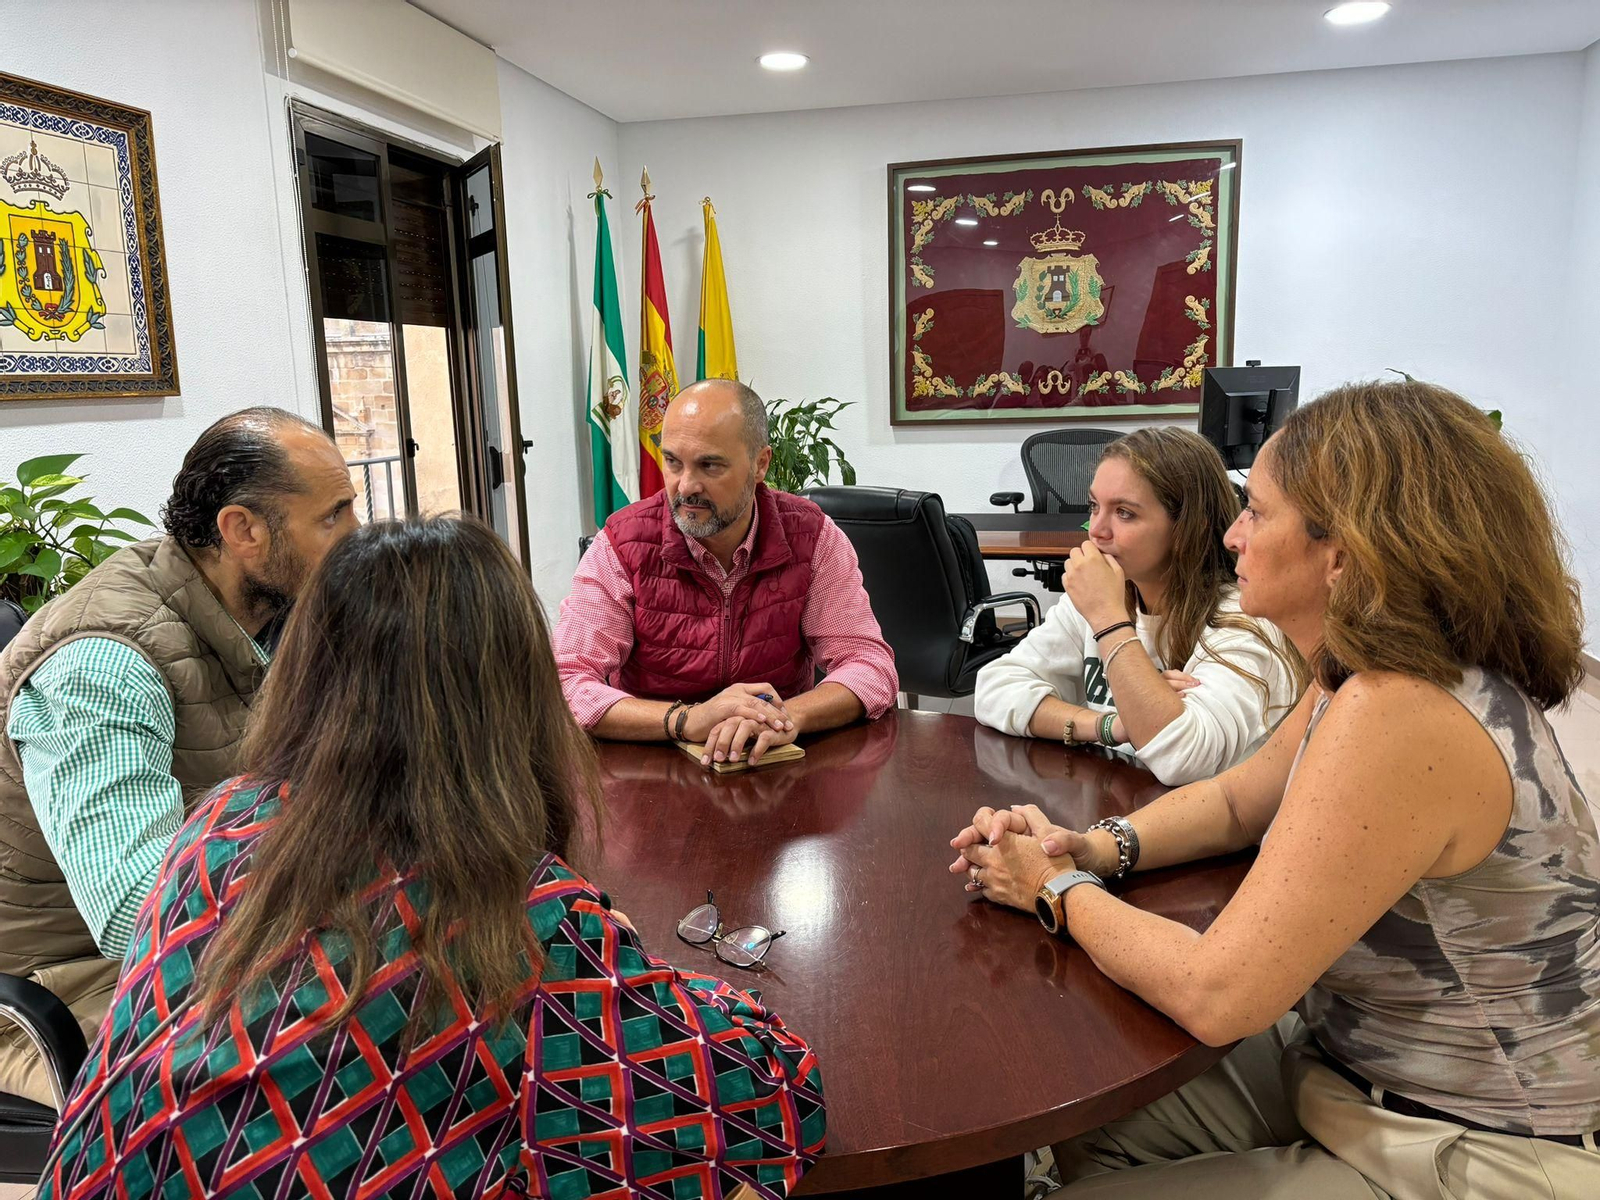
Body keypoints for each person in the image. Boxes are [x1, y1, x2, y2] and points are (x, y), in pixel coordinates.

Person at [39, 517, 825, 1200]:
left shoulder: (218, 823)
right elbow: (774, 1100)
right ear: (514, 696)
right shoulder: (521, 916)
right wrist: (653, 972)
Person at [951, 380, 1600, 1197]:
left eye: (1256, 511)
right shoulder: (1363, 673)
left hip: (1473, 1146)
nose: (1232, 535)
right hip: (1351, 1076)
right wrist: (1096, 845)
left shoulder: (1400, 711)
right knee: (1097, 1118)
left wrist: (1054, 886)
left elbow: (1217, 992)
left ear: (1345, 552)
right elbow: (1234, 800)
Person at [0, 406, 357, 1107]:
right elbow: (140, 909)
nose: (353, 538)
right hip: (69, 985)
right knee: (329, 1088)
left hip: (211, 945)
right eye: (331, 518)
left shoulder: (271, 611)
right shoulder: (104, 662)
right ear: (242, 530)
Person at [555, 378, 898, 767]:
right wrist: (686, 719)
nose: (686, 486)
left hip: (774, 769)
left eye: (710, 464)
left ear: (760, 464)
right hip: (649, 774)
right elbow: (566, 683)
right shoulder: (622, 544)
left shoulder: (812, 536)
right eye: (672, 461)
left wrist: (786, 716)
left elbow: (869, 665)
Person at [974, 427, 1302, 786]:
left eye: (1125, 513)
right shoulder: (1100, 599)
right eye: (1094, 506)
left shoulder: (1244, 619)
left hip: (1208, 834)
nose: (1096, 531)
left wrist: (1108, 621)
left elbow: (1181, 756)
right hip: (1119, 813)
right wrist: (1110, 725)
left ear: (1187, 529)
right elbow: (992, 688)